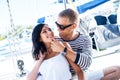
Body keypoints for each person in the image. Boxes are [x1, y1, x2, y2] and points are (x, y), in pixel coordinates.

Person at [54, 8, 120, 80]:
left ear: (74, 26)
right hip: (65, 76)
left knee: (117, 70)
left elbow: (86, 63)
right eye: (57, 24)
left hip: (83, 74)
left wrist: (64, 50)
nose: (58, 29)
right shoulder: (55, 39)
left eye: (62, 27)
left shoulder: (85, 39)